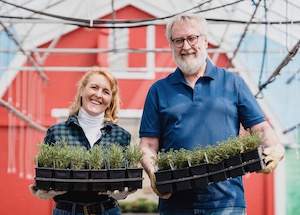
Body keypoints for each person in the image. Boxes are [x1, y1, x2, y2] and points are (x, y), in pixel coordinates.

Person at [139, 13, 285, 215]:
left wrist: (274, 146)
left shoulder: (233, 83)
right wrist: (152, 171)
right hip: (176, 204)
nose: (186, 46)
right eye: (178, 40)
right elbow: (147, 144)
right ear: (171, 45)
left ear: (206, 41)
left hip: (226, 203)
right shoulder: (159, 90)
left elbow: (259, 127)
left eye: (192, 38)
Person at [29, 67, 135, 215]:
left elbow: (124, 180)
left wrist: (122, 192)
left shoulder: (121, 135)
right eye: (94, 87)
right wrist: (44, 191)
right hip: (67, 210)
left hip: (106, 210)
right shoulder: (57, 132)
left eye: (106, 91)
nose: (99, 95)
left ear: (111, 99)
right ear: (81, 91)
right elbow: (43, 178)